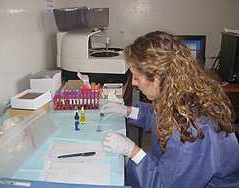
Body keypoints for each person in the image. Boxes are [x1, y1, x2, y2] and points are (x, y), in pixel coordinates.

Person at [100, 31, 239, 188]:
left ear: (158, 78)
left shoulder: (191, 130)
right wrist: (126, 111)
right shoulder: (180, 92)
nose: (133, 83)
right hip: (175, 168)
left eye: (137, 77)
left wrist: (133, 152)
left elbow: (165, 184)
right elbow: (156, 116)